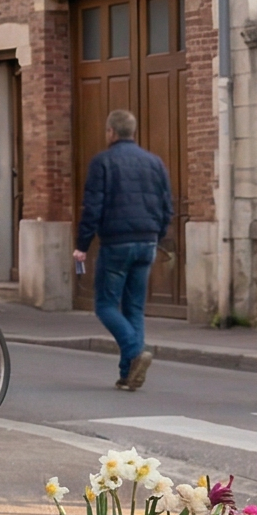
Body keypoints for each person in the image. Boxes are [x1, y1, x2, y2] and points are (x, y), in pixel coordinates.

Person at [73, 108, 173, 392]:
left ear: (111, 132)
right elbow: (168, 206)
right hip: (147, 241)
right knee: (134, 308)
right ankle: (128, 373)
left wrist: (82, 245)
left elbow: (93, 207)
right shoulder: (155, 163)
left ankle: (134, 351)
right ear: (133, 132)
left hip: (116, 242)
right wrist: (158, 234)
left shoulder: (102, 162)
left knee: (105, 305)